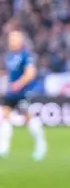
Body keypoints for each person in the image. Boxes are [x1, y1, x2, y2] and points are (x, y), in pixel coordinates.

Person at [1, 29, 47, 161]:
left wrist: (18, 84)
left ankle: (41, 145)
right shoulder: (9, 56)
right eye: (10, 39)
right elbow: (10, 74)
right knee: (5, 117)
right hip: (11, 92)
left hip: (22, 92)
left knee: (28, 118)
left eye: (14, 38)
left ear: (20, 41)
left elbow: (30, 73)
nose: (11, 41)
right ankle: (4, 147)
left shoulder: (26, 56)